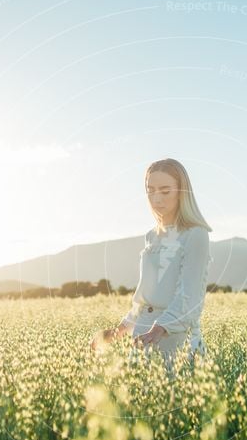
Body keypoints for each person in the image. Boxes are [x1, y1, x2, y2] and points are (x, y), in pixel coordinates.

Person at [90, 158, 213, 375]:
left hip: (178, 339)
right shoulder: (151, 236)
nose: (157, 199)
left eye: (165, 191)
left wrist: (160, 328)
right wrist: (119, 331)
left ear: (181, 192)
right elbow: (145, 298)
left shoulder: (196, 234)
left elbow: (190, 294)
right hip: (142, 338)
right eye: (151, 191)